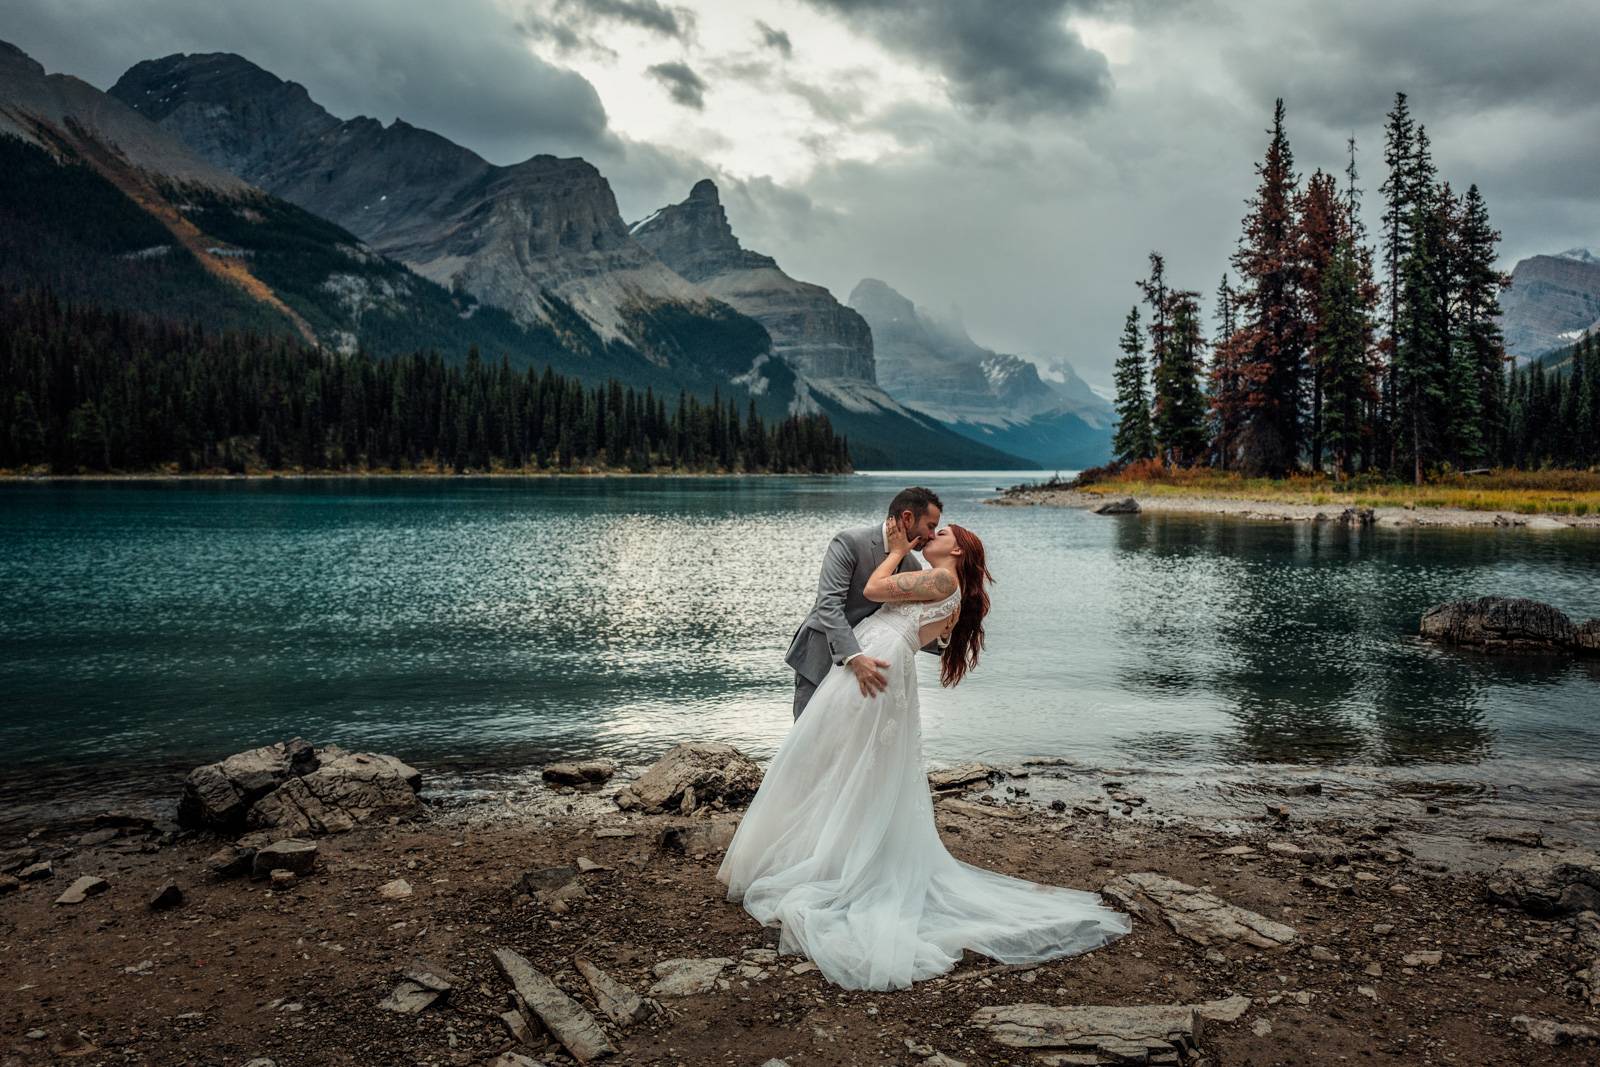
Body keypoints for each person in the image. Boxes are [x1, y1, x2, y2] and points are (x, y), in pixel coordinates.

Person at [717, 515, 1132, 991]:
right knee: (849, 765)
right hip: (887, 660)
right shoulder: (948, 586)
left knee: (828, 757)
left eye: (944, 534)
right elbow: (927, 634)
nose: (934, 535)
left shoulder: (939, 578)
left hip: (879, 662)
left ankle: (827, 864)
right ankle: (829, 855)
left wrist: (894, 549)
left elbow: (875, 589)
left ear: (957, 552)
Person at [784, 487, 946, 721]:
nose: (932, 535)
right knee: (809, 736)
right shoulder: (850, 542)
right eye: (930, 526)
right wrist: (854, 657)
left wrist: (943, 637)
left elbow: (906, 623)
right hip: (822, 656)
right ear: (908, 517)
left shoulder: (912, 565)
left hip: (871, 668)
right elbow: (828, 605)